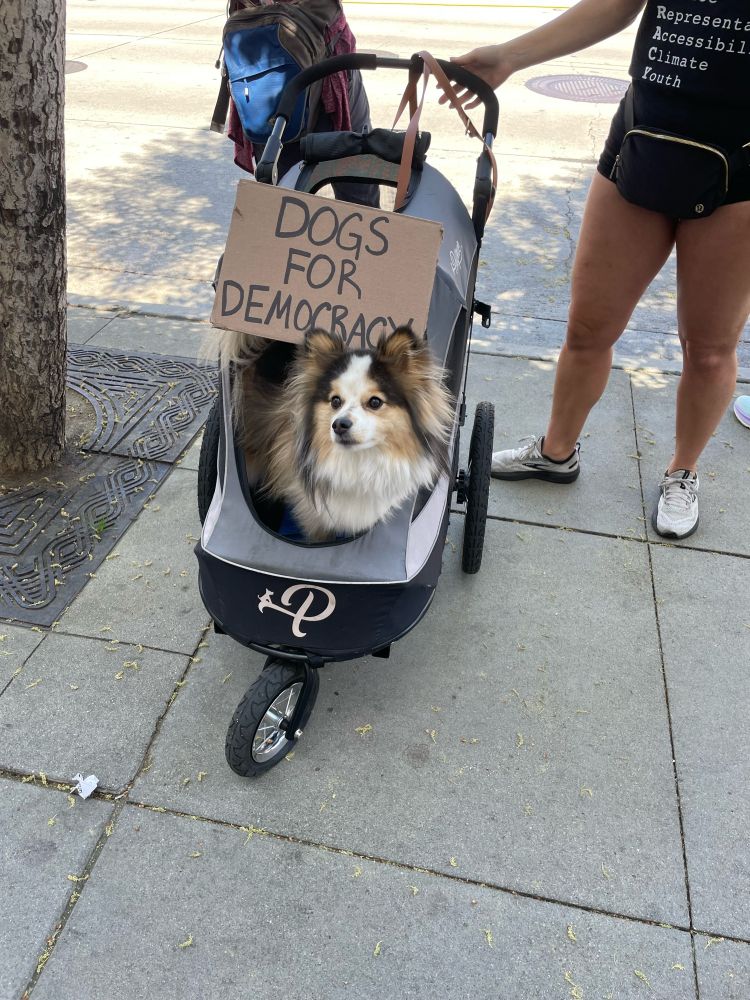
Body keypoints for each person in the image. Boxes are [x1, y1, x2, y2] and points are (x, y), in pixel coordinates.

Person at [450, 0, 750, 539]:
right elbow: (615, 4)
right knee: (588, 327)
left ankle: (682, 472)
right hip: (643, 137)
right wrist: (510, 56)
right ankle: (555, 453)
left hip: (742, 165)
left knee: (708, 349)